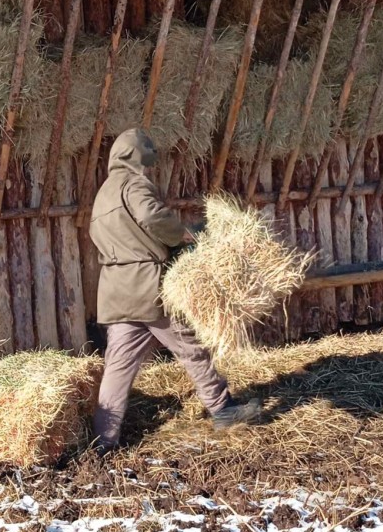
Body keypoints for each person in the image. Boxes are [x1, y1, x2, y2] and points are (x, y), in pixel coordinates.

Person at [89, 127, 263, 450]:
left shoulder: (103, 195)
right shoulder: (132, 184)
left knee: (117, 367)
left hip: (116, 291)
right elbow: (151, 215)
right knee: (190, 346)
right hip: (147, 288)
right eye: (146, 161)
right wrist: (180, 235)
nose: (148, 169)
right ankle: (222, 408)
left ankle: (103, 440)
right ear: (133, 157)